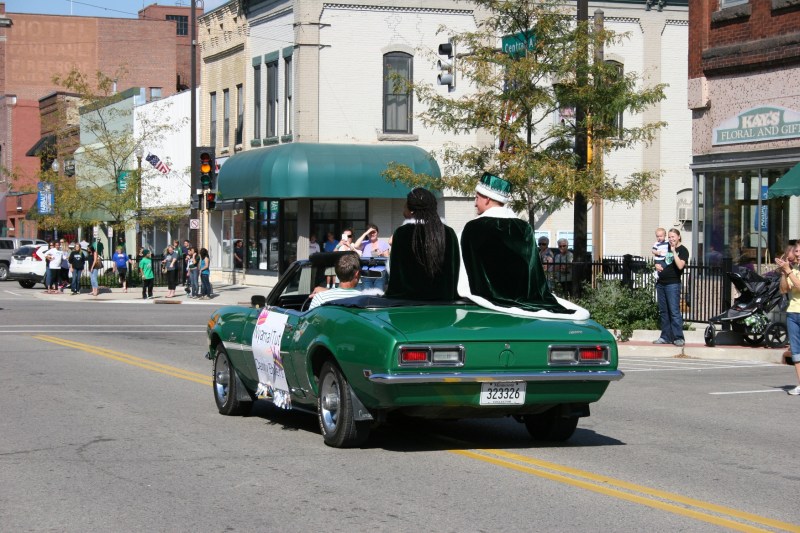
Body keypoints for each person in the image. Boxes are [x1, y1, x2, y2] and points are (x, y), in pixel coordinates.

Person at [459, 172, 580, 317]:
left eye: (477, 197)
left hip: (483, 306)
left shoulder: (472, 228)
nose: (475, 203)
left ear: (487, 199)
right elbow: (532, 268)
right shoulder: (524, 227)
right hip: (524, 301)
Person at [384, 187, 460, 301]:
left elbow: (395, 274)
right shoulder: (449, 233)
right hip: (443, 307)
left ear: (412, 210)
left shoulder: (402, 233)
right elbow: (455, 271)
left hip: (406, 307)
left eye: (406, 203)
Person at [653, 228, 689, 346]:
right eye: (669, 237)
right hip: (661, 283)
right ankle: (665, 337)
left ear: (678, 237)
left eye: (673, 236)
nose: (671, 239)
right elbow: (658, 258)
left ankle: (678, 337)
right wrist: (656, 265)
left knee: (674, 311)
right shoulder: (665, 247)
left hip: (672, 284)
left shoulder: (683, 250)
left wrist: (674, 252)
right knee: (664, 311)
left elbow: (680, 266)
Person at [777, 242, 800, 394]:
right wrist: (784, 273)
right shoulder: (794, 270)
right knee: (796, 352)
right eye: (796, 251)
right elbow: (784, 289)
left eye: (799, 251)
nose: (797, 253)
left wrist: (789, 271)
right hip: (793, 313)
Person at [355, 224, 390, 291]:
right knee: (367, 295)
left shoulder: (383, 243)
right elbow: (356, 246)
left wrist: (382, 254)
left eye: (374, 232)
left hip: (380, 274)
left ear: (377, 232)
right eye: (370, 233)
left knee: (378, 294)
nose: (372, 234)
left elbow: (387, 258)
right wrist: (365, 233)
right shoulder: (365, 243)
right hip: (366, 274)